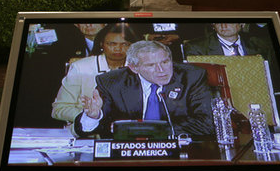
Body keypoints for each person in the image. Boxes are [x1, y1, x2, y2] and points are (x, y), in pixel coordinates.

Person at [74, 40, 214, 138]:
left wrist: (145, 131)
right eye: (151, 65)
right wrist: (93, 116)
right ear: (134, 68)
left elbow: (207, 123)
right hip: (128, 156)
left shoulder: (192, 77)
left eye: (165, 62)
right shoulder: (112, 82)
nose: (161, 70)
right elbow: (93, 130)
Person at [184, 23, 280, 128]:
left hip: (256, 103)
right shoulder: (196, 47)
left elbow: (271, 79)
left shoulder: (261, 44)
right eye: (218, 21)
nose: (223, 25)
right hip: (220, 105)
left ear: (242, 23)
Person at [52, 24, 139, 129]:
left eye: (125, 44)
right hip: (86, 132)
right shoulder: (81, 67)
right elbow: (59, 109)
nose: (118, 48)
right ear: (102, 44)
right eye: (112, 44)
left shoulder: (141, 68)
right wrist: (93, 116)